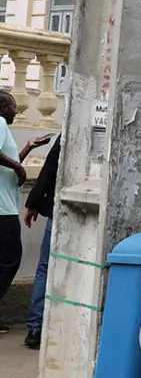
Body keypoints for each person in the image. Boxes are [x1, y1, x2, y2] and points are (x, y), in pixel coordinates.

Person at [0, 91, 46, 334]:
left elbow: (5, 166)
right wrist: (18, 167)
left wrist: (27, 149)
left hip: (5, 205)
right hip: (3, 210)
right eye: (13, 106)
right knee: (10, 260)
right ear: (2, 106)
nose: (16, 112)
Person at [22, 133, 60, 349]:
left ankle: (35, 328)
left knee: (45, 267)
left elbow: (49, 171)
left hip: (59, 209)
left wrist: (34, 204)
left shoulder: (68, 134)